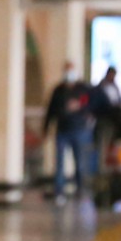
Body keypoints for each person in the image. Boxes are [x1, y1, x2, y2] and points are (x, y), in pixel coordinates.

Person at [43, 63, 95, 203]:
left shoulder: (82, 89)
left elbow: (89, 103)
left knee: (79, 161)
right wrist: (46, 129)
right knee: (59, 162)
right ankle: (59, 191)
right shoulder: (58, 90)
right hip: (62, 130)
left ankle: (81, 189)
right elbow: (51, 110)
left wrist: (79, 105)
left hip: (79, 129)